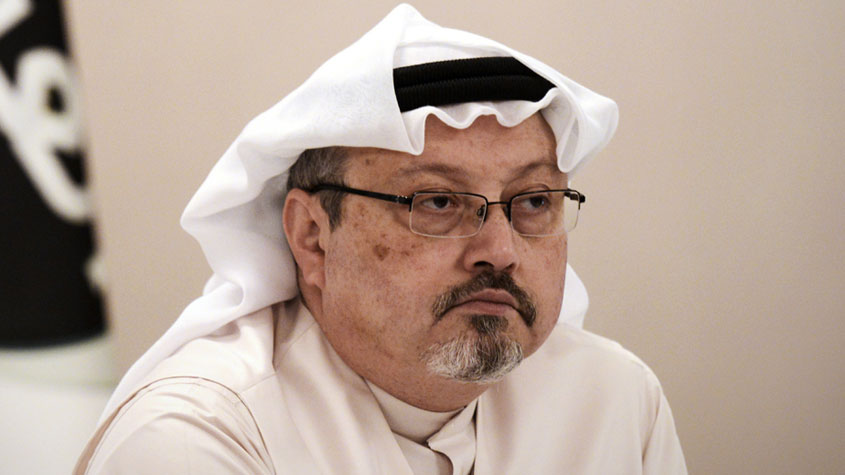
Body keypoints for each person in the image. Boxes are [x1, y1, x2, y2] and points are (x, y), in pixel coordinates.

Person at [75, 5, 686, 474]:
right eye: (438, 202)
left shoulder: (616, 399)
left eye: (532, 202)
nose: (500, 251)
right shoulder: (198, 437)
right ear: (312, 239)